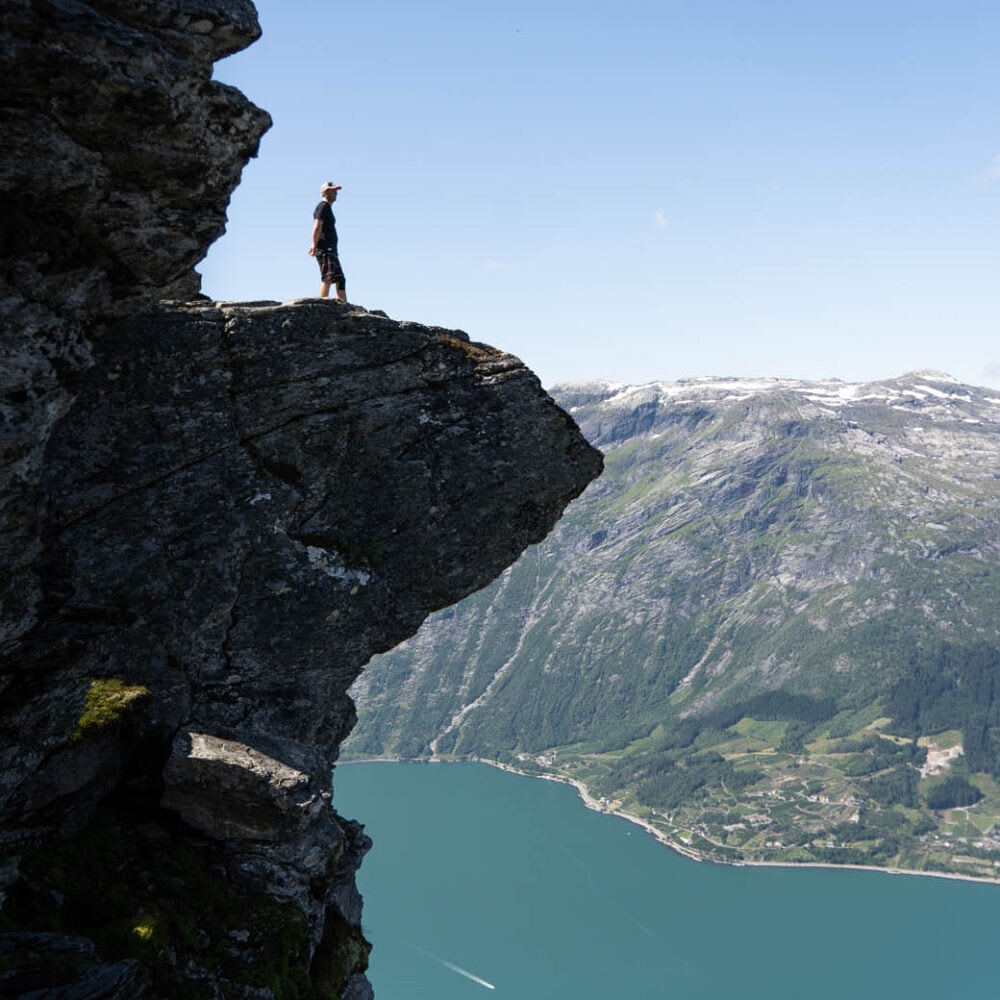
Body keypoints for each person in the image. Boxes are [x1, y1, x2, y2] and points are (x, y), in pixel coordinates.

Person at [309, 181, 346, 300]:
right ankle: (323, 303)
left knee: (340, 279)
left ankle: (343, 305)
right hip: (325, 248)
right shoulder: (322, 207)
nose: (336, 193)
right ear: (325, 192)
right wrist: (314, 245)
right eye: (333, 191)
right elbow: (317, 227)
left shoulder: (327, 208)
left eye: (336, 191)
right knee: (328, 276)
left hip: (331, 249)